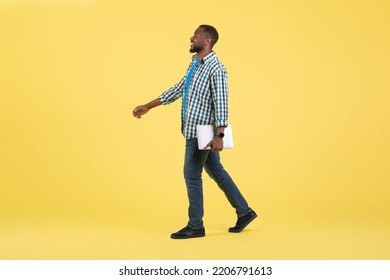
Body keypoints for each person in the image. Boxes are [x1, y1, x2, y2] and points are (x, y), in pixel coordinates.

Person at [133, 25, 257, 239]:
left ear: (207, 40)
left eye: (197, 35)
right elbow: (177, 89)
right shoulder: (196, 66)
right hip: (195, 129)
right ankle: (244, 212)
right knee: (215, 170)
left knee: (191, 175)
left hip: (203, 131)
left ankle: (196, 225)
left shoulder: (216, 68)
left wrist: (220, 135)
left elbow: (222, 102)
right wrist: (148, 105)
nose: (191, 37)